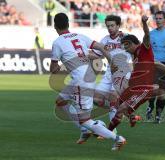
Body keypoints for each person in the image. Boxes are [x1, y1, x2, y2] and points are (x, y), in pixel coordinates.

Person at [49, 13, 126, 151]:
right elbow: (102, 47)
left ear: (54, 26)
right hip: (86, 76)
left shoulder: (57, 43)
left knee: (85, 120)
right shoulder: (79, 36)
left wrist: (62, 64)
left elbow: (54, 69)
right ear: (68, 23)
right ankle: (85, 131)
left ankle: (117, 138)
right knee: (60, 102)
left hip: (80, 81)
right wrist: (110, 60)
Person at [102, 15, 165, 131]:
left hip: (143, 88)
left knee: (121, 109)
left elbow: (147, 35)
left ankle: (107, 133)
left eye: (126, 46)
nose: (125, 49)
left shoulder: (144, 48)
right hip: (133, 86)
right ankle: (132, 117)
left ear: (133, 44)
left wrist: (144, 23)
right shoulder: (135, 55)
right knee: (117, 104)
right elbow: (155, 63)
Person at [94, 15, 132, 134]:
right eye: (108, 26)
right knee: (96, 99)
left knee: (112, 97)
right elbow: (97, 55)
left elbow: (138, 49)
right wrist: (81, 55)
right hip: (109, 72)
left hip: (122, 71)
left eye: (112, 25)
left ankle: (111, 131)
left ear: (118, 26)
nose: (110, 28)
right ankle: (119, 108)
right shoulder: (105, 40)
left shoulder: (126, 37)